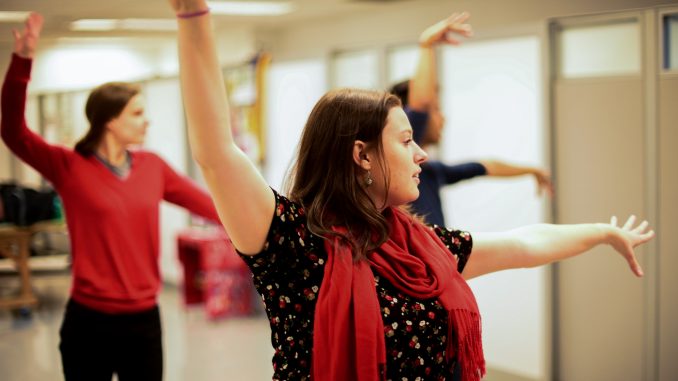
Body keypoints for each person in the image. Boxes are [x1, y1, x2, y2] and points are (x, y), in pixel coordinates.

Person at [167, 1, 654, 380]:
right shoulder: (293, 243)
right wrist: (194, 16)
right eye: (405, 141)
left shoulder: (421, 247)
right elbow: (216, 151)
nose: (421, 154)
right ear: (361, 156)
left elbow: (525, 244)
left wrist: (601, 233)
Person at [1, 13, 221, 381]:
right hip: (89, 322)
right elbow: (12, 130)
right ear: (109, 120)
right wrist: (22, 60)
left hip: (144, 322)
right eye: (137, 113)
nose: (145, 121)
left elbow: (208, 204)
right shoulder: (68, 165)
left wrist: (271, 220)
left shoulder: (153, 167)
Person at [390, 12, 554, 227]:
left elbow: (486, 166)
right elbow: (421, 104)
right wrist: (426, 46)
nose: (443, 118)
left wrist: (533, 170)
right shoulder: (399, 169)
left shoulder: (430, 171)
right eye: (437, 110)